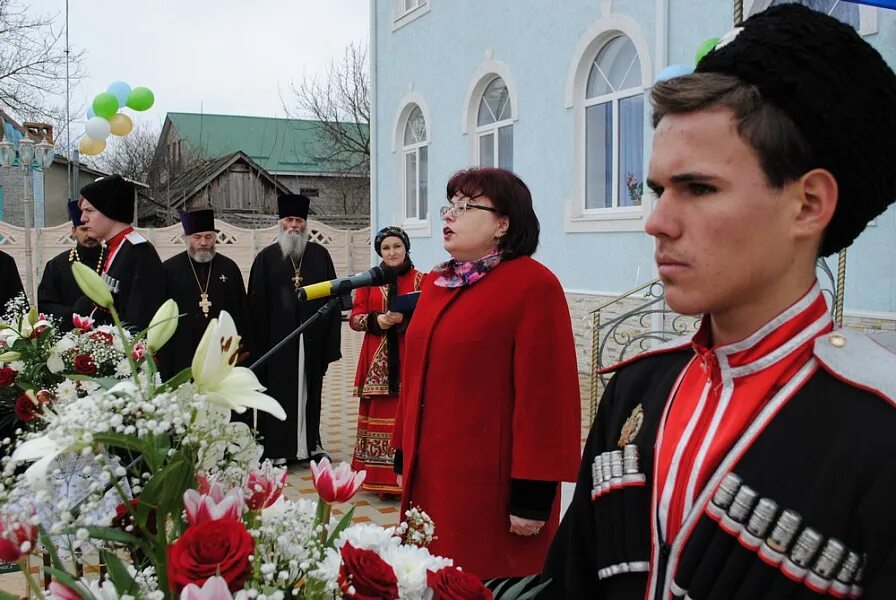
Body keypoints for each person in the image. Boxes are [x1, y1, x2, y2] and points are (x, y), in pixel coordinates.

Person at [540, 5, 896, 598]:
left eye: (699, 188)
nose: (656, 221)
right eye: (657, 189)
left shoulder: (876, 427)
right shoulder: (637, 388)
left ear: (808, 204)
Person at [391, 167, 581, 579]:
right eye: (449, 205)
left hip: (487, 492)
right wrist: (403, 451)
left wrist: (533, 495)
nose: (449, 216)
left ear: (502, 223)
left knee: (478, 583)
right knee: (423, 580)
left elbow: (547, 398)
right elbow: (414, 375)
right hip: (430, 480)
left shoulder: (533, 286)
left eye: (464, 206)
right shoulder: (439, 283)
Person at [248, 194, 341, 465]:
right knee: (278, 394)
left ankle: (309, 446)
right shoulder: (265, 259)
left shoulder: (320, 255)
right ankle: (276, 450)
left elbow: (333, 300)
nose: (294, 225)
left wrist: (328, 345)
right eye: (289, 219)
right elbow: (255, 307)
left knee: (310, 393)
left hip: (312, 340)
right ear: (280, 223)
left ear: (306, 224)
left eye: (299, 220)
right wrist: (258, 348)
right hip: (277, 344)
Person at [349, 226, 424, 497]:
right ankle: (379, 481)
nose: (392, 252)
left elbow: (430, 316)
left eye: (397, 246)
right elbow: (354, 318)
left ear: (406, 248)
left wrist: (406, 319)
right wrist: (376, 320)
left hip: (408, 358)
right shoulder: (368, 280)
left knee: (408, 414)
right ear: (379, 252)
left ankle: (406, 480)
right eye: (386, 248)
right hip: (376, 360)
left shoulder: (421, 280)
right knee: (379, 415)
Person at [159, 209, 250, 379]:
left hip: (221, 352)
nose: (203, 242)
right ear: (187, 239)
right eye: (197, 237)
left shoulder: (229, 268)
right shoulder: (169, 270)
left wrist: (240, 349)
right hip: (182, 352)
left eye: (208, 237)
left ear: (214, 238)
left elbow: (241, 312)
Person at [76, 175, 165, 332]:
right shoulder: (113, 247)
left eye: (89, 210)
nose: (83, 219)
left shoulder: (139, 252)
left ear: (110, 210)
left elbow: (139, 318)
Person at [38, 200, 104, 329]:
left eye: (93, 229)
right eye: (83, 229)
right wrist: (74, 316)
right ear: (74, 231)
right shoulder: (56, 265)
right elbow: (46, 304)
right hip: (68, 336)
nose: (89, 235)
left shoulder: (113, 259)